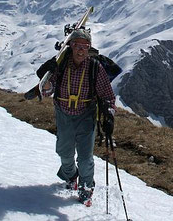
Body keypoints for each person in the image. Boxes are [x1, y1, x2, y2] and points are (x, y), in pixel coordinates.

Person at [39, 28, 116, 204]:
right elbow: (48, 90)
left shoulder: (95, 67)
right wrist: (46, 84)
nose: (81, 49)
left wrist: (109, 115)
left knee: (85, 157)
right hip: (63, 113)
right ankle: (71, 175)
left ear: (89, 48)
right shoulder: (61, 64)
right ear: (71, 46)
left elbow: (107, 96)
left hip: (86, 115)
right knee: (64, 152)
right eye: (77, 45)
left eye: (85, 46)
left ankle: (86, 188)